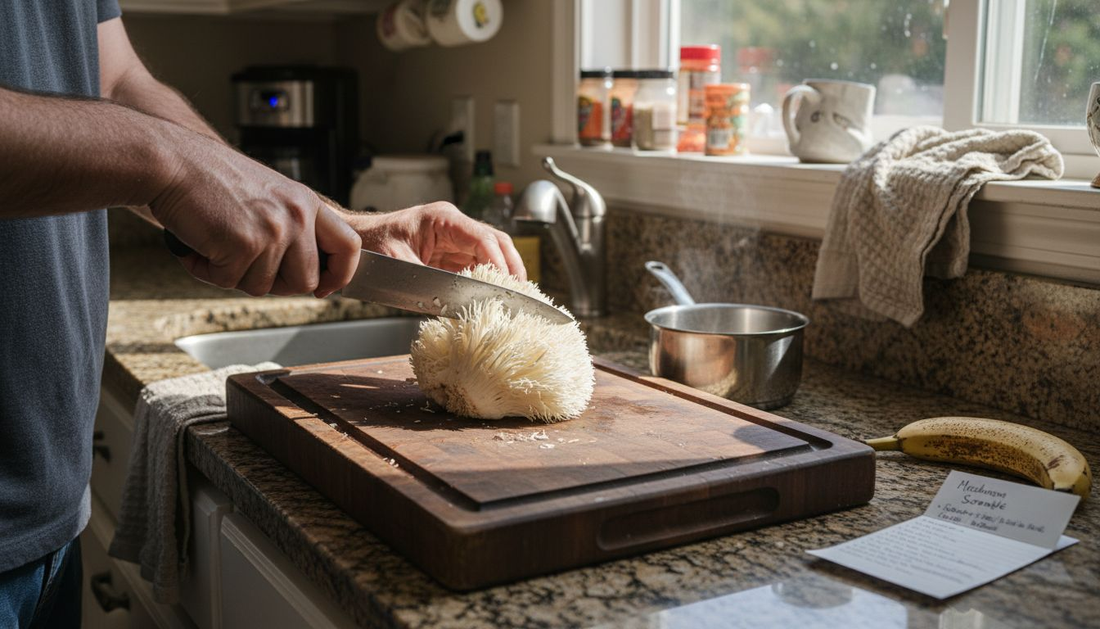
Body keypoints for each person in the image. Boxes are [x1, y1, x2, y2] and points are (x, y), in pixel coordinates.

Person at [0, 2, 525, 626]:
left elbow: (112, 80)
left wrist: (343, 230)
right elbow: (143, 140)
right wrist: (164, 162)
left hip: (50, 506)